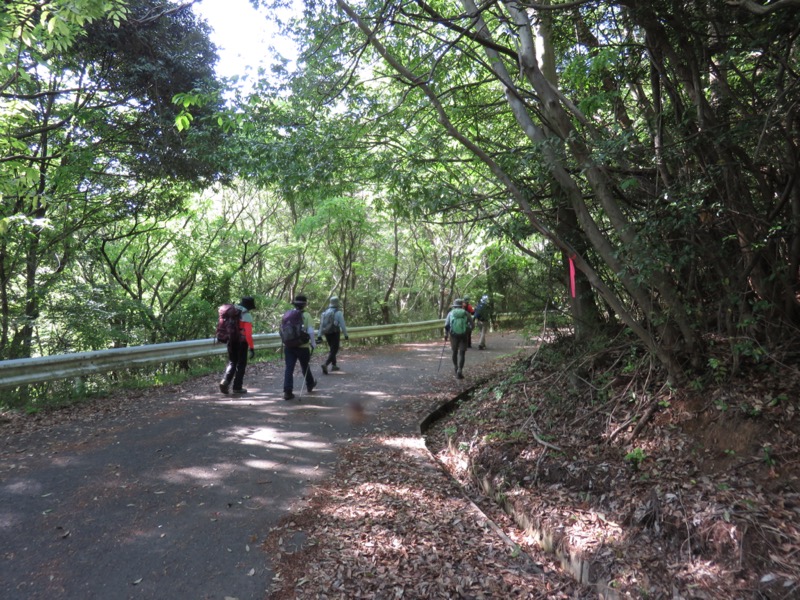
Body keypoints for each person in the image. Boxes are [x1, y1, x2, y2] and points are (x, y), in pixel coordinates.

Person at [282, 295, 317, 400]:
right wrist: (313, 343)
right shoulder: (306, 315)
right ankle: (310, 384)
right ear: (305, 304)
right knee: (305, 366)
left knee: (289, 368)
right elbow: (310, 331)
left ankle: (287, 391)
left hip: (289, 346)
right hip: (302, 346)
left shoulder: (287, 315)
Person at [219, 296, 256, 394]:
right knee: (241, 364)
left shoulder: (232, 311)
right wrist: (252, 348)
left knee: (232, 362)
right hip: (242, 343)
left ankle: (225, 381)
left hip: (231, 340)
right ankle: (237, 387)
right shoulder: (246, 315)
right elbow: (248, 335)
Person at [318, 296, 349, 374]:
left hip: (327, 333)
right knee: (334, 350)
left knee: (332, 349)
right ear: (337, 303)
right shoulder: (338, 312)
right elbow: (342, 324)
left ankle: (334, 365)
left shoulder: (324, 313)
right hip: (335, 332)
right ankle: (326, 364)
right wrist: (345, 334)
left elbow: (321, 325)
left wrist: (319, 335)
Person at [444, 298, 474, 379]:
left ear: (454, 306)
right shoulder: (466, 313)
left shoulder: (450, 313)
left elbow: (446, 325)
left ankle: (456, 367)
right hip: (463, 336)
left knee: (454, 352)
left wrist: (446, 334)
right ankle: (460, 370)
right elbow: (472, 325)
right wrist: (467, 331)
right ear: (462, 306)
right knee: (462, 353)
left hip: (453, 335)